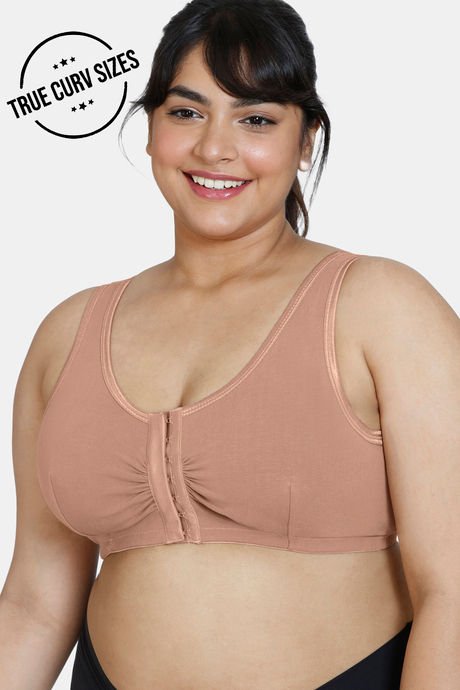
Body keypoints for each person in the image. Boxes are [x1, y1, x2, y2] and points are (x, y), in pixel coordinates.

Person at [1, 1, 459, 689]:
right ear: (150, 129)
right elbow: (34, 603)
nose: (214, 148)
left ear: (305, 141)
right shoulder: (66, 333)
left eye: (256, 119)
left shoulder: (383, 307)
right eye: (187, 112)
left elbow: (454, 589)